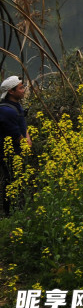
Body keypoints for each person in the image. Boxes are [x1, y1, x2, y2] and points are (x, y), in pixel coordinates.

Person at [0, 76, 31, 216]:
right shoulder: (7, 111)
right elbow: (15, 134)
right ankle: (9, 214)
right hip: (10, 155)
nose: (24, 90)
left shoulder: (16, 106)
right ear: (11, 92)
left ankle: (19, 210)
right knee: (10, 181)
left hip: (19, 152)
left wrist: (28, 138)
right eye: (20, 88)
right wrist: (26, 142)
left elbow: (22, 126)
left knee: (19, 181)